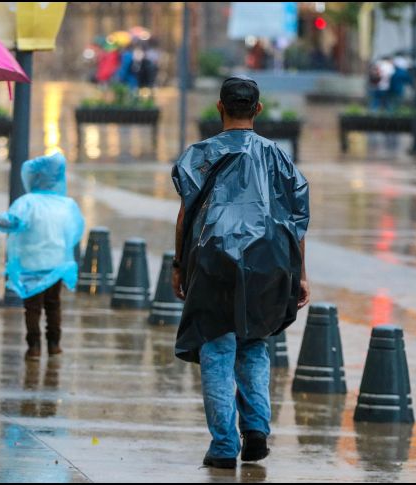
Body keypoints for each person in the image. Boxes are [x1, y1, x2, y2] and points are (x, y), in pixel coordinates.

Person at [171, 77, 310, 469]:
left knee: (216, 348)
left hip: (212, 260)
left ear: (220, 107)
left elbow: (186, 216)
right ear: (258, 110)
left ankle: (223, 445)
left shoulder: (200, 154)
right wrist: (300, 273)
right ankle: (256, 431)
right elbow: (296, 219)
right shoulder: (278, 158)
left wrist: (179, 264)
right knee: (253, 344)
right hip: (268, 262)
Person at [0, 153, 85, 360]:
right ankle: (54, 344)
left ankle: (34, 346)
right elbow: (75, 230)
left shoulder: (26, 203)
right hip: (57, 264)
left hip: (31, 263)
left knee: (32, 307)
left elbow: (11, 222)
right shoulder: (66, 205)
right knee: (54, 304)